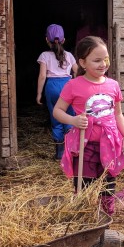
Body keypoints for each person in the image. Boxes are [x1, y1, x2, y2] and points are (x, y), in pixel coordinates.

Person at [53, 36, 124, 215]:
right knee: (85, 183)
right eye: (97, 60)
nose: (103, 64)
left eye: (105, 59)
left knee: (108, 183)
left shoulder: (113, 85)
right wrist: (73, 120)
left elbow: (117, 113)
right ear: (82, 62)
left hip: (110, 144)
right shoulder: (73, 85)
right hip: (86, 145)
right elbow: (57, 111)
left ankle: (106, 217)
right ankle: (85, 217)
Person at [36, 24, 78, 160]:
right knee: (69, 116)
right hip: (68, 86)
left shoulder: (44, 56)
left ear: (46, 40)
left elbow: (42, 76)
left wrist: (39, 94)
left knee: (56, 117)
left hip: (52, 87)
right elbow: (77, 71)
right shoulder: (69, 55)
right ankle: (70, 150)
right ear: (63, 40)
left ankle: (59, 153)